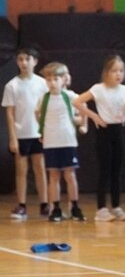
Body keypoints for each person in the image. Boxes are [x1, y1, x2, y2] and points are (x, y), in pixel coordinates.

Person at [73, 55, 125, 221]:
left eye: (121, 70)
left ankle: (116, 206)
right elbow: (77, 102)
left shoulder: (124, 90)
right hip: (104, 132)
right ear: (106, 72)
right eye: (114, 70)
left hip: (117, 131)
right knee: (105, 171)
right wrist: (94, 117)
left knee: (116, 171)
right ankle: (101, 209)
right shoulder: (98, 89)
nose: (118, 74)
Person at [2, 46, 49, 220]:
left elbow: (45, 109)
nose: (24, 63)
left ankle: (45, 204)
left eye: (27, 59)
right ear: (17, 62)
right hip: (21, 134)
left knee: (40, 169)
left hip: (38, 134)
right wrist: (13, 138)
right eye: (20, 59)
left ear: (35, 62)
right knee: (21, 171)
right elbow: (9, 113)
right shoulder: (12, 86)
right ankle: (21, 205)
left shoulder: (43, 84)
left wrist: (45, 131)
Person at [36, 62, 84, 222]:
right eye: (48, 79)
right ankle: (55, 208)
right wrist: (43, 130)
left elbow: (83, 110)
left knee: (70, 175)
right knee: (54, 176)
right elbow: (38, 114)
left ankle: (75, 207)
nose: (52, 83)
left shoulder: (70, 96)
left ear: (64, 79)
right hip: (51, 142)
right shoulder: (44, 98)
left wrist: (82, 124)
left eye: (56, 79)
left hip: (68, 141)